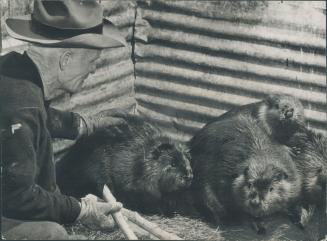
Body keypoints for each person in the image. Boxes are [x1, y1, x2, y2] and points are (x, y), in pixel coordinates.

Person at [0, 0, 128, 239]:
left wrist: (82, 124)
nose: (93, 70)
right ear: (65, 59)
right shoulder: (22, 106)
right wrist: (82, 210)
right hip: (8, 198)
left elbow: (39, 117)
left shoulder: (14, 70)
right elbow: (16, 196)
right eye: (92, 62)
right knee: (52, 233)